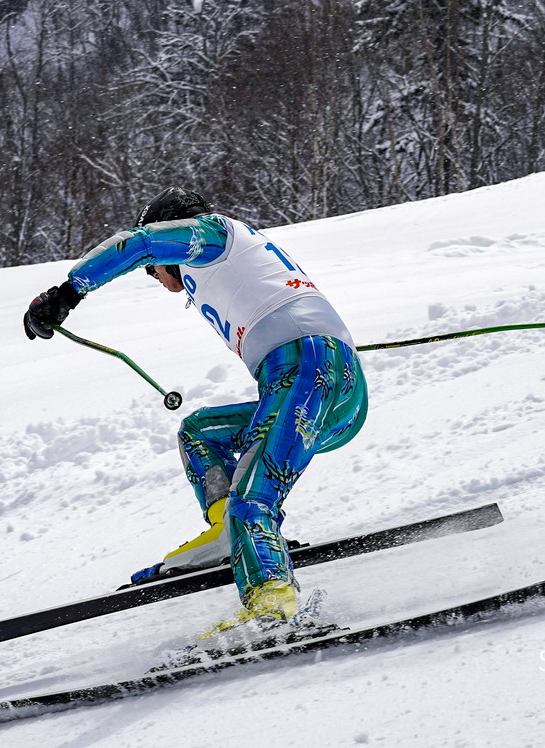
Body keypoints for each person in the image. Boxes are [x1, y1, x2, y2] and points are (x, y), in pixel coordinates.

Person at [23, 188, 368, 636]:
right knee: (200, 433)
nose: (155, 276)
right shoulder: (231, 262)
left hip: (308, 368)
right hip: (321, 382)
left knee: (253, 500)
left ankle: (274, 606)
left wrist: (66, 293)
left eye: (153, 271)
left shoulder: (213, 235)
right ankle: (230, 535)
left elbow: (140, 242)